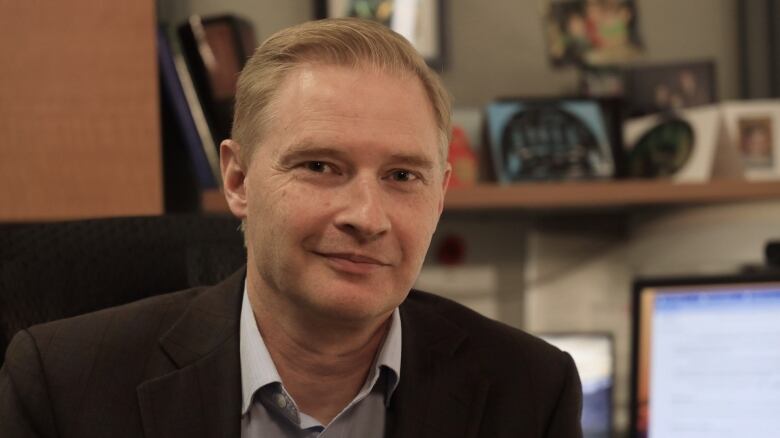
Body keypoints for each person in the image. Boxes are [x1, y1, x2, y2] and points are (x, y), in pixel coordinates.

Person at [0, 18, 582, 437]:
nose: (366, 217)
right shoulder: (65, 385)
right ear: (238, 180)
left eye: (402, 176)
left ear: (440, 197)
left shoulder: (529, 389)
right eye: (320, 166)